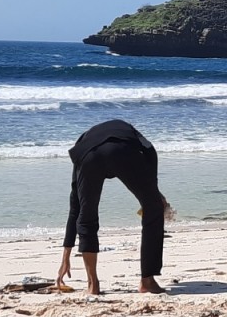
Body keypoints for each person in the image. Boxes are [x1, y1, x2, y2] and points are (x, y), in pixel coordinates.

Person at [57, 119, 169, 295]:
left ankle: (92, 285)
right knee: (153, 208)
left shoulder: (83, 143)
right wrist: (153, 193)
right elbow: (150, 150)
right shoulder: (127, 129)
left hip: (89, 157)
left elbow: (75, 207)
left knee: (86, 216)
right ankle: (147, 281)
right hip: (122, 151)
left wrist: (66, 256)